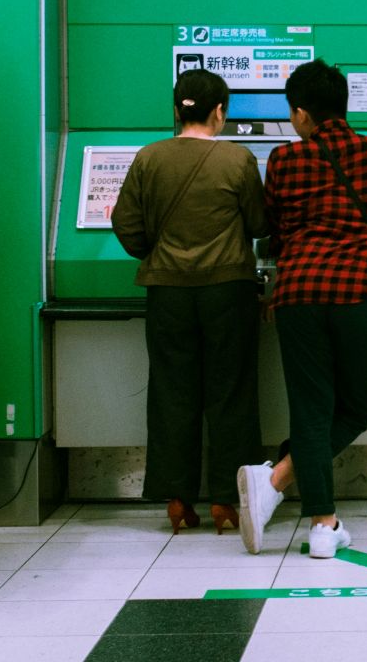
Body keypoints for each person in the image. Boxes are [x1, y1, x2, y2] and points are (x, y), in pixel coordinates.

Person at [237, 60, 367, 558]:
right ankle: (302, 505)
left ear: (301, 113)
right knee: (355, 410)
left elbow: (275, 234)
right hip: (358, 292)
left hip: (298, 294)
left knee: (311, 409)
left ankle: (298, 500)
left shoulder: (283, 160)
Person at [112, 68, 270, 535]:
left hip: (168, 294)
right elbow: (260, 224)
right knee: (232, 394)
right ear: (219, 111)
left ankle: (178, 500)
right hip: (228, 291)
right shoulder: (238, 161)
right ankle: (227, 500)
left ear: (177, 108)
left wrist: (155, 252)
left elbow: (126, 223)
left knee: (171, 393)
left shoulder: (149, 158)